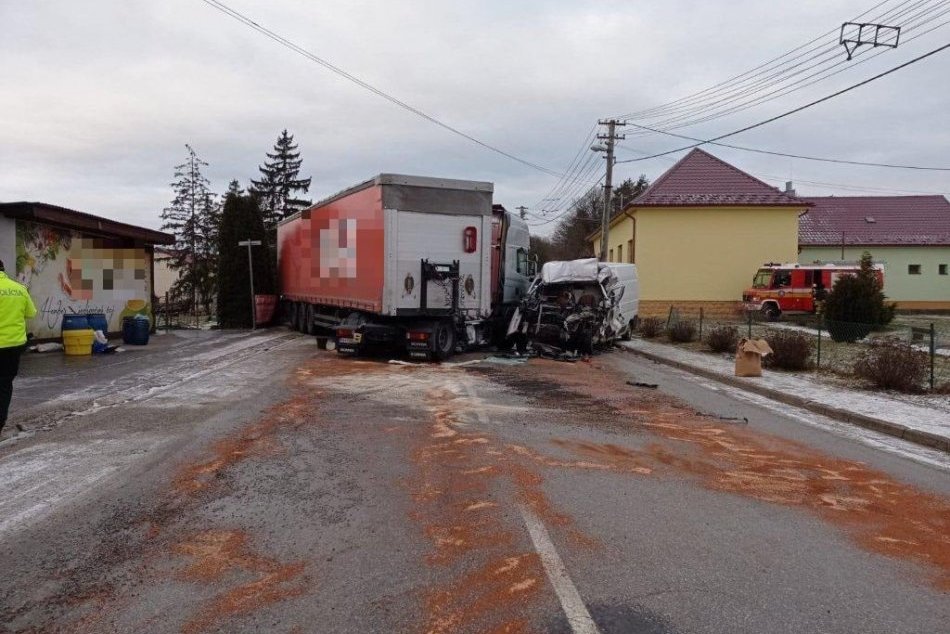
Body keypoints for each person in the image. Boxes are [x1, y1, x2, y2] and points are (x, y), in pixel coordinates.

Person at [0, 259, 36, 435]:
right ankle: (0, 420)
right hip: (14, 346)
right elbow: (31, 313)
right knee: (5, 384)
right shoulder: (19, 289)